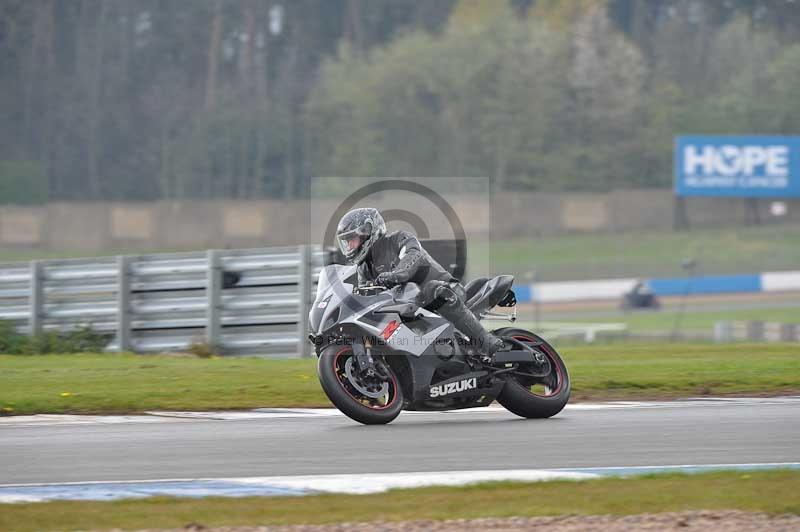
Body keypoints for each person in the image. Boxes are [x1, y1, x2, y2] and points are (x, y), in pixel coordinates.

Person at [336, 207, 504, 357]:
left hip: (447, 291)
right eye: (347, 242)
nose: (350, 245)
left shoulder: (399, 239)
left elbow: (412, 256)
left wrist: (396, 274)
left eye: (353, 239)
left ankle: (488, 343)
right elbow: (366, 299)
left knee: (434, 290)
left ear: (368, 231)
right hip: (410, 309)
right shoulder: (364, 269)